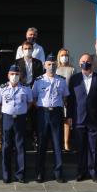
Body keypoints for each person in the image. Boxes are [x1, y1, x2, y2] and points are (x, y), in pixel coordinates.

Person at [66, 53, 97, 182]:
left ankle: (93, 172)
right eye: (83, 61)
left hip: (94, 119)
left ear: (92, 63)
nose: (86, 63)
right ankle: (81, 172)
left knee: (94, 147)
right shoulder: (74, 79)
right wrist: (69, 116)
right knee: (80, 148)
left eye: (88, 61)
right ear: (79, 64)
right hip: (78, 118)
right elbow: (71, 100)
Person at [32, 53, 69, 183]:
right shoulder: (38, 80)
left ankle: (58, 173)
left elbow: (65, 98)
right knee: (41, 144)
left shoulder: (62, 80)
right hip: (43, 113)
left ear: (57, 65)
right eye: (49, 64)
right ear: (44, 65)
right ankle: (39, 173)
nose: (51, 66)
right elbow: (34, 98)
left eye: (53, 64)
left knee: (57, 144)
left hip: (57, 113)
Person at [0, 64, 33, 183]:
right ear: (8, 75)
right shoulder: (2, 88)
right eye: (12, 74)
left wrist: (21, 110)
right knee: (6, 146)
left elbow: (30, 102)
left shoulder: (26, 88)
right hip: (7, 118)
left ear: (20, 75)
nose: (14, 76)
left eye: (17, 74)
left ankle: (20, 174)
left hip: (20, 119)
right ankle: (6, 175)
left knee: (20, 146)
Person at [16, 40, 44, 152]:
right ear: (22, 50)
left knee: (35, 119)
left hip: (34, 92)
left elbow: (40, 79)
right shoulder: (17, 62)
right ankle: (20, 142)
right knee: (21, 119)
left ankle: (36, 140)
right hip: (21, 93)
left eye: (29, 48)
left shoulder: (38, 63)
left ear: (33, 50)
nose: (27, 50)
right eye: (25, 49)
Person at [56, 48, 75, 151]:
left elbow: (73, 85)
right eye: (62, 55)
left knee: (67, 121)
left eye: (66, 55)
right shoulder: (56, 69)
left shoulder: (72, 69)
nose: (64, 57)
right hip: (57, 99)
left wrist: (69, 98)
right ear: (59, 57)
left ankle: (66, 143)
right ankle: (58, 143)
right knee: (58, 121)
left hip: (68, 98)